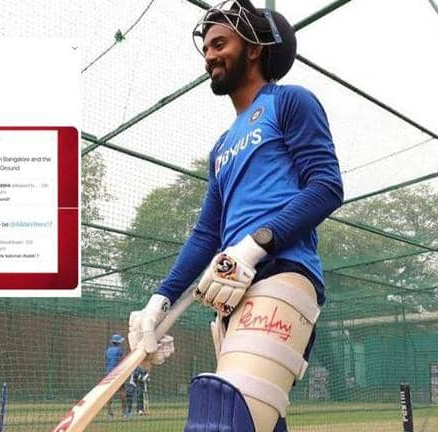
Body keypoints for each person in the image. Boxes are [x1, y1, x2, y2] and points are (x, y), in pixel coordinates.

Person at [128, 1, 343, 431]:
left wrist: (252, 246)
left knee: (224, 419)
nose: (209, 55)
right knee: (258, 420)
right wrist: (160, 301)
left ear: (254, 49)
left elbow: (326, 187)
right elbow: (206, 233)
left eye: (220, 43)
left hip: (283, 273)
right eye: (206, 48)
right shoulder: (222, 147)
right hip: (233, 292)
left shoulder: (290, 101)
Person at [104, 334, 127, 418]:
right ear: (119, 342)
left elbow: (107, 359)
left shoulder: (108, 350)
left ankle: (109, 413)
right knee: (122, 391)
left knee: (109, 393)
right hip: (118, 373)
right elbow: (121, 361)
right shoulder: (119, 350)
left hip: (109, 373)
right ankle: (124, 413)